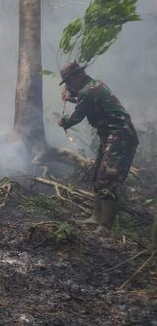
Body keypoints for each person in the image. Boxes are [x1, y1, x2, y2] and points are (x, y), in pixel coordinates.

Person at [58, 61, 139, 233]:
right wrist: (70, 98)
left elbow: (75, 117)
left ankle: (106, 225)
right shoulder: (92, 87)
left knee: (107, 179)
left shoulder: (88, 90)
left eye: (69, 81)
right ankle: (96, 217)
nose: (68, 85)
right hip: (110, 135)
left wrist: (63, 122)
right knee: (98, 176)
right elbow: (85, 101)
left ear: (77, 76)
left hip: (120, 136)